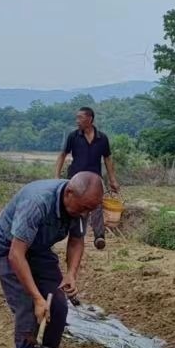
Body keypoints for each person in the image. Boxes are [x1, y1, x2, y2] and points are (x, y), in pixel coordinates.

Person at [0, 172, 105, 348]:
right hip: (7, 247)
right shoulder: (37, 203)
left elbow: (76, 240)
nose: (85, 214)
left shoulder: (82, 206)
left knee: (58, 306)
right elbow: (16, 255)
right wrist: (37, 298)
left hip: (39, 249)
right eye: (82, 208)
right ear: (69, 193)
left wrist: (71, 274)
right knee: (27, 305)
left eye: (89, 210)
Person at [55, 106, 120, 249]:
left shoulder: (102, 138)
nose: (77, 121)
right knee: (73, 206)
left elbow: (107, 159)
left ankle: (99, 236)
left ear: (90, 119)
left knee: (96, 204)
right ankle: (70, 234)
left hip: (94, 179)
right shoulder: (73, 136)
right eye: (77, 118)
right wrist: (57, 176)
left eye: (80, 118)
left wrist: (112, 180)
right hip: (75, 178)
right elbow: (62, 155)